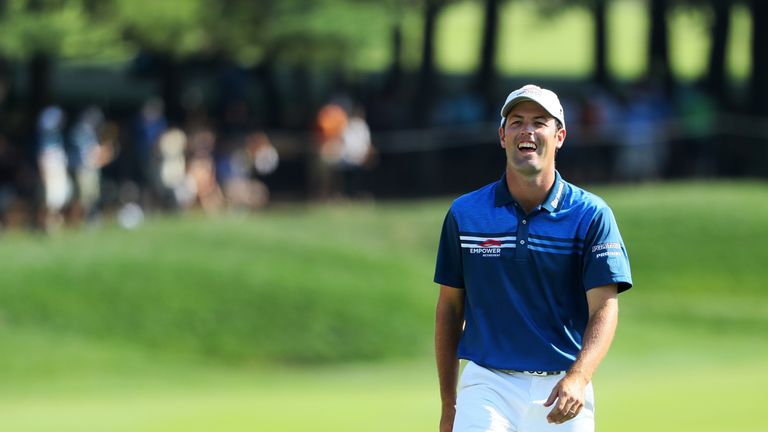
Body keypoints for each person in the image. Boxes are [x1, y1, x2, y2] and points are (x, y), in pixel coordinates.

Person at [434, 84, 632, 432]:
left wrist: (580, 376)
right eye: (517, 121)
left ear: (559, 136)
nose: (527, 130)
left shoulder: (590, 215)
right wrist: (450, 403)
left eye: (540, 122)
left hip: (564, 387)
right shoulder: (465, 214)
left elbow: (604, 307)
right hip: (487, 385)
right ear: (502, 135)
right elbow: (450, 309)